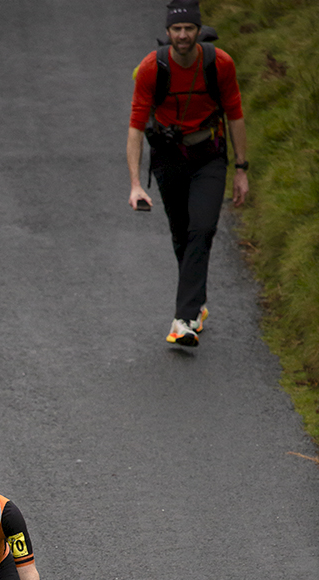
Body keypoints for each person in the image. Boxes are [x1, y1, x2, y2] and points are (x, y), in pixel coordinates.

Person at [127, 1, 249, 347]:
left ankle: (183, 320)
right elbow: (136, 127)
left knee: (202, 228)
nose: (182, 35)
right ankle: (197, 305)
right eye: (177, 29)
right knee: (181, 233)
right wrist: (135, 184)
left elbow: (235, 114)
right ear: (168, 32)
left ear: (198, 31)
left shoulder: (219, 64)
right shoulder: (152, 68)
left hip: (209, 156)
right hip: (168, 159)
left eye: (189, 29)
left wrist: (241, 169)